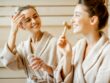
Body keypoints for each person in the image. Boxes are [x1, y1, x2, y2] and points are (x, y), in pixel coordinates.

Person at [0, 5, 61, 83]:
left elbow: (65, 72)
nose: (34, 21)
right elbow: (9, 62)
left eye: (35, 16)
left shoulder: (56, 42)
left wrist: (46, 68)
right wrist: (13, 32)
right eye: (28, 20)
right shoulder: (23, 48)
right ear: (21, 26)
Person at [54, 0, 110, 83]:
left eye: (77, 15)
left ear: (93, 20)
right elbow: (61, 79)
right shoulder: (78, 47)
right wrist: (67, 56)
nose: (72, 20)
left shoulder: (107, 52)